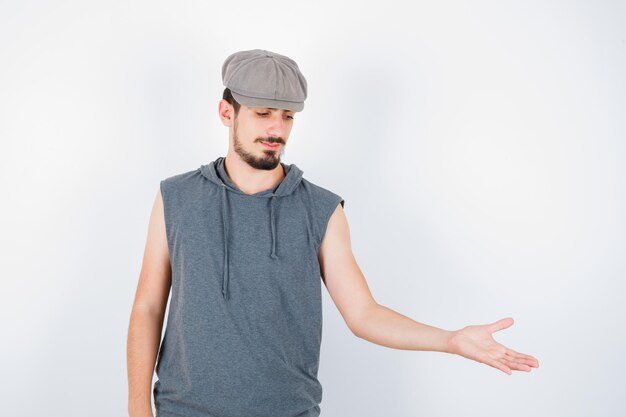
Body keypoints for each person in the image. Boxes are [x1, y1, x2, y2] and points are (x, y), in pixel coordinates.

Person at [127, 49, 540, 417]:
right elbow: (148, 307)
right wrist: (137, 409)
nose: (277, 130)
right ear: (226, 112)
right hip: (184, 411)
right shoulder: (176, 197)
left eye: (287, 116)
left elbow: (364, 314)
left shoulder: (321, 209)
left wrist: (450, 340)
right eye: (263, 113)